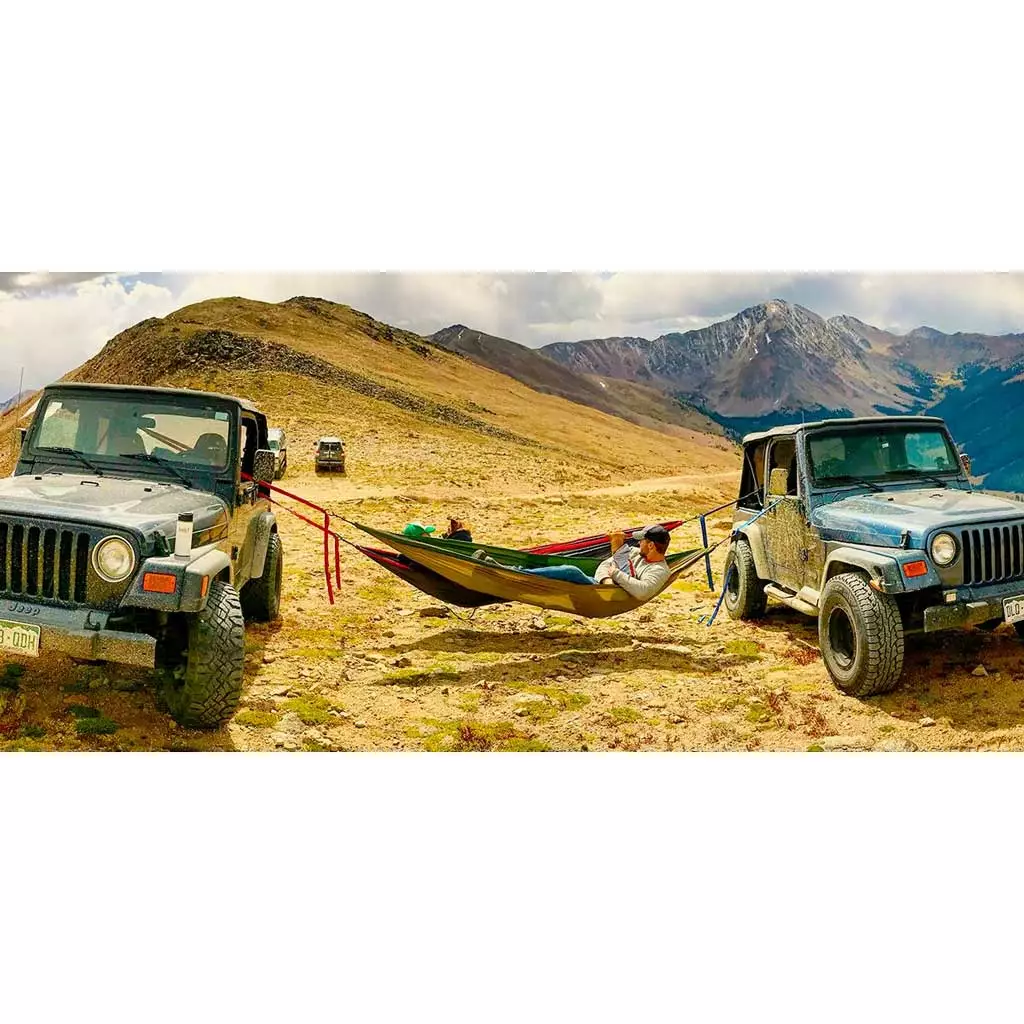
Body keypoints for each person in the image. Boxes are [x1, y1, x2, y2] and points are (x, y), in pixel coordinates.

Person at [475, 524, 672, 599]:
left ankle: (508, 571)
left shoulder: (660, 571)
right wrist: (606, 580)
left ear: (651, 546)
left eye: (643, 541)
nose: (639, 543)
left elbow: (643, 592)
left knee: (570, 571)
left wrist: (615, 574)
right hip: (600, 588)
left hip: (608, 599)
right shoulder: (636, 553)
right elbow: (604, 565)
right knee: (563, 570)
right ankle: (509, 570)